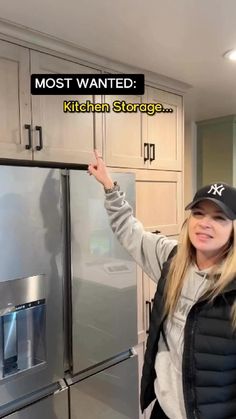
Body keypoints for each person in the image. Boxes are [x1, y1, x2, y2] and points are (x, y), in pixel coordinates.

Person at [88, 150, 236, 419]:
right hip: (162, 412)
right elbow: (130, 231)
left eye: (219, 218)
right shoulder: (172, 261)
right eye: (199, 213)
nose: (205, 224)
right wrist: (110, 187)